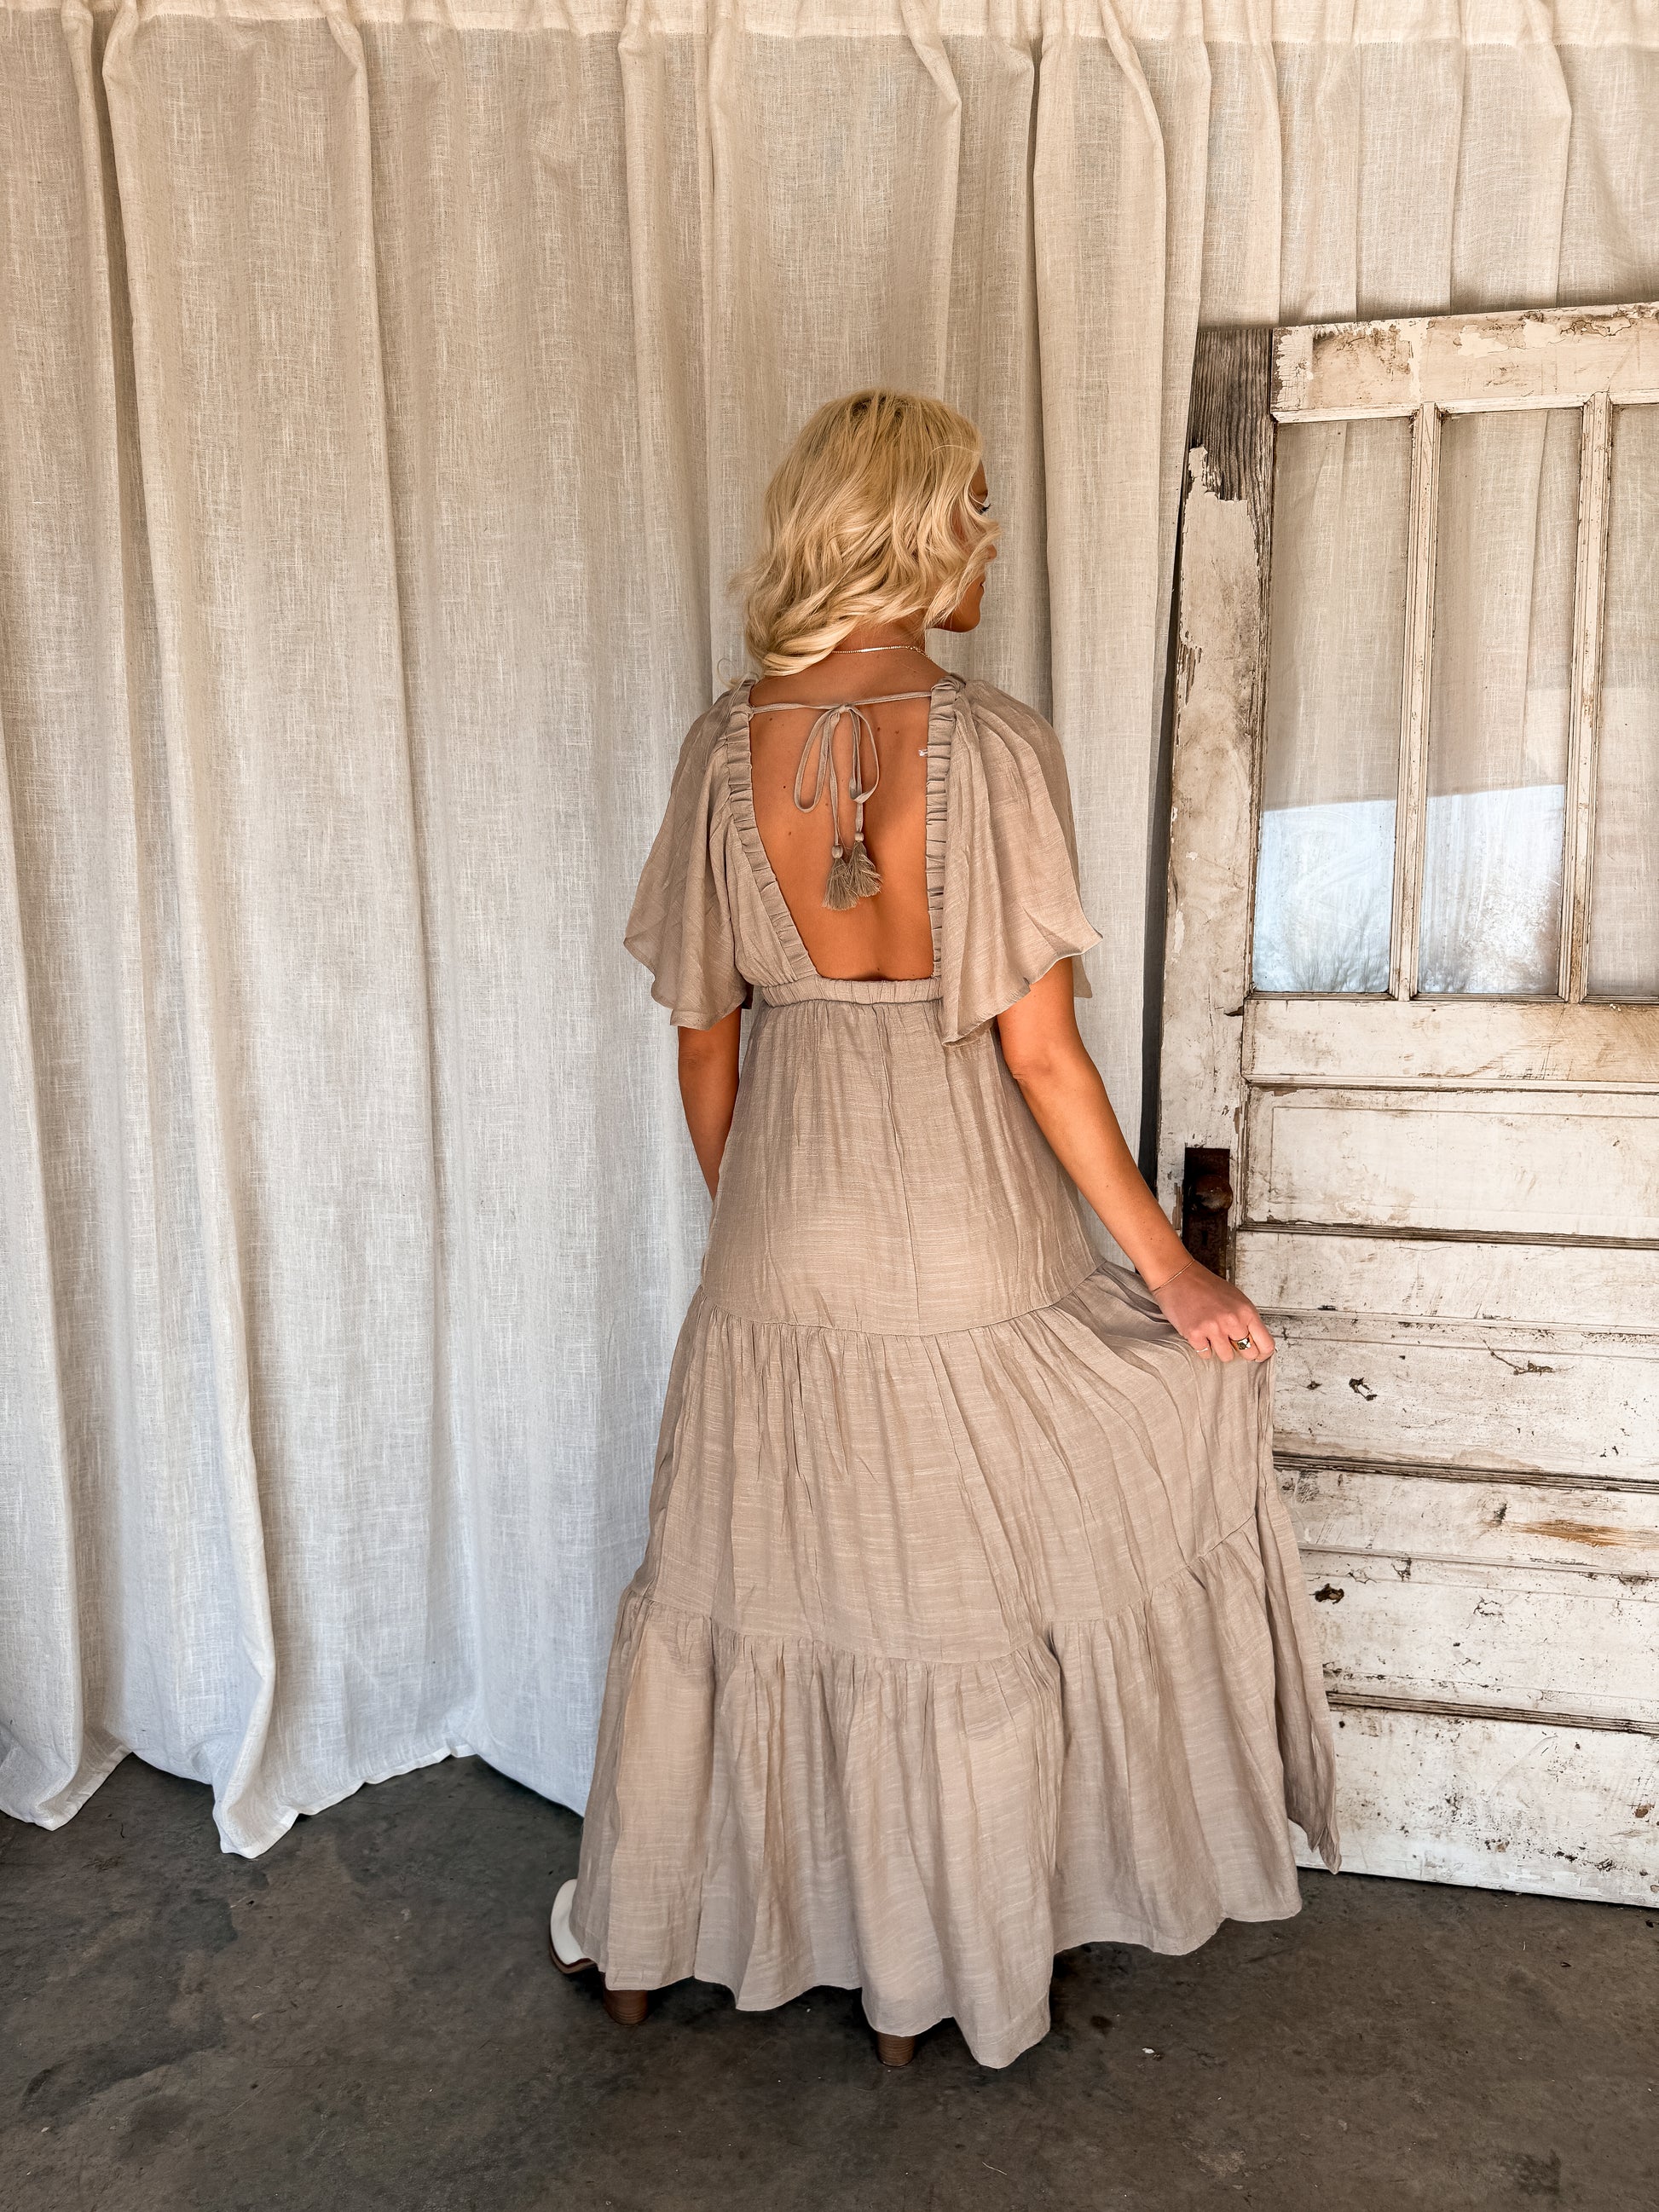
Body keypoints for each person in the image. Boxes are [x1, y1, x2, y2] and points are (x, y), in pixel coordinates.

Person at [549, 389, 1338, 2071]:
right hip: (965, 1218)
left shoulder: (718, 745)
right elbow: (1039, 1055)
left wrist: (767, 1226)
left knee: (745, 1571)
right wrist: (1169, 1268)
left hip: (774, 1223)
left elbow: (703, 1047)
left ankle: (647, 1937)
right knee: (952, 1583)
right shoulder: (990, 745)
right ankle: (931, 1975)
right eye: (973, 509)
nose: (990, 538)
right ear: (909, 533)